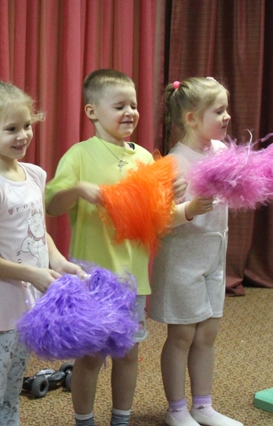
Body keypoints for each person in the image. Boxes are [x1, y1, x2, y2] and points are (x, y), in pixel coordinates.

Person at [0, 81, 84, 426]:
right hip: (1, 308)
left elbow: (37, 230)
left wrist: (58, 260)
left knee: (14, 385)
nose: (23, 136)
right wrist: (31, 274)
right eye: (11, 129)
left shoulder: (33, 174)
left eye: (27, 126)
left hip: (30, 304)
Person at [45, 69, 154, 426]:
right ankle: (84, 420)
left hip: (133, 279)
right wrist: (78, 189)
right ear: (92, 111)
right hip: (91, 279)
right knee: (90, 357)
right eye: (119, 106)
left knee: (128, 355)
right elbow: (51, 206)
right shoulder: (78, 155)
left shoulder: (145, 158)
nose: (130, 112)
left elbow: (157, 215)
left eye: (133, 105)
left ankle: (121, 419)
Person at [149, 78, 242, 426]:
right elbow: (158, 221)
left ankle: (203, 406)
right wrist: (189, 209)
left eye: (226, 109)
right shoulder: (174, 163)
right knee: (182, 335)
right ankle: (176, 409)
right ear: (191, 118)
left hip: (214, 255)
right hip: (181, 260)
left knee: (207, 333)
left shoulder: (220, 151)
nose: (227, 116)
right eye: (218, 111)